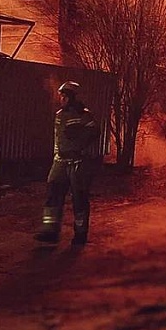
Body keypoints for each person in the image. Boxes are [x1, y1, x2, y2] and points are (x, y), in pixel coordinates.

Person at [36, 81, 101, 246]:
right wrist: (55, 157)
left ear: (73, 98)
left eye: (65, 96)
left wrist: (81, 135)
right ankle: (50, 231)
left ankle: (80, 234)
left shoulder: (84, 115)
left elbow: (94, 132)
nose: (62, 99)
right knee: (53, 193)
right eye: (61, 96)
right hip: (60, 161)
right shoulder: (59, 115)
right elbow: (57, 139)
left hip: (78, 162)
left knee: (79, 198)